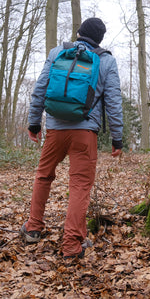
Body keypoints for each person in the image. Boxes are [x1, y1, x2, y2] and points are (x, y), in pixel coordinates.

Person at [20, 18, 123, 259]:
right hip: (85, 133)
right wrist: (117, 139)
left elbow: (40, 89)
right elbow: (114, 103)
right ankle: (71, 245)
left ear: (78, 33)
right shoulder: (106, 60)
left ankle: (33, 228)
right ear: (100, 40)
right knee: (79, 186)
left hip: (55, 129)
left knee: (44, 175)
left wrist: (34, 123)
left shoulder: (58, 52)